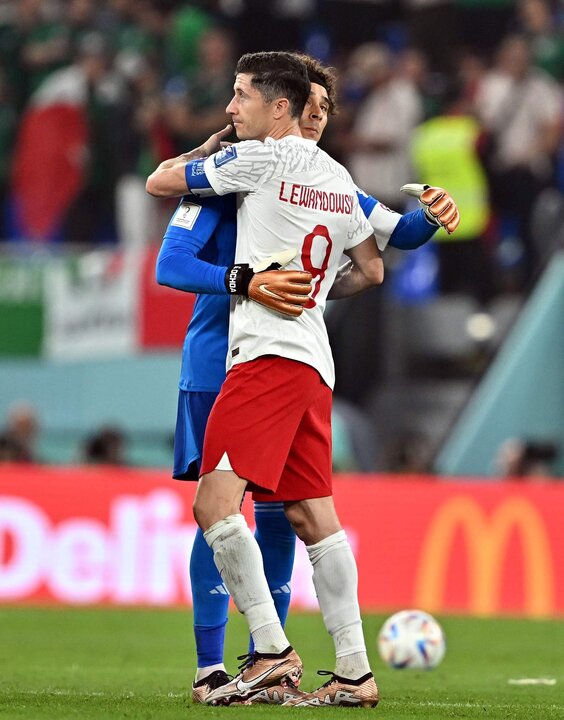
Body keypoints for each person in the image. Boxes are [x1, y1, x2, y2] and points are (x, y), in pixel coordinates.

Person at [149, 52, 460, 706]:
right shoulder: (341, 180)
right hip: (314, 361)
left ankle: (268, 650)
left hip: (261, 356)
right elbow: (385, 250)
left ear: (276, 107)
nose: (233, 109)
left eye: (240, 96)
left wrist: (207, 153)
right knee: (311, 513)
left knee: (214, 506)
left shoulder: (257, 160)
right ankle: (354, 671)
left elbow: (160, 185)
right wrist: (429, 218)